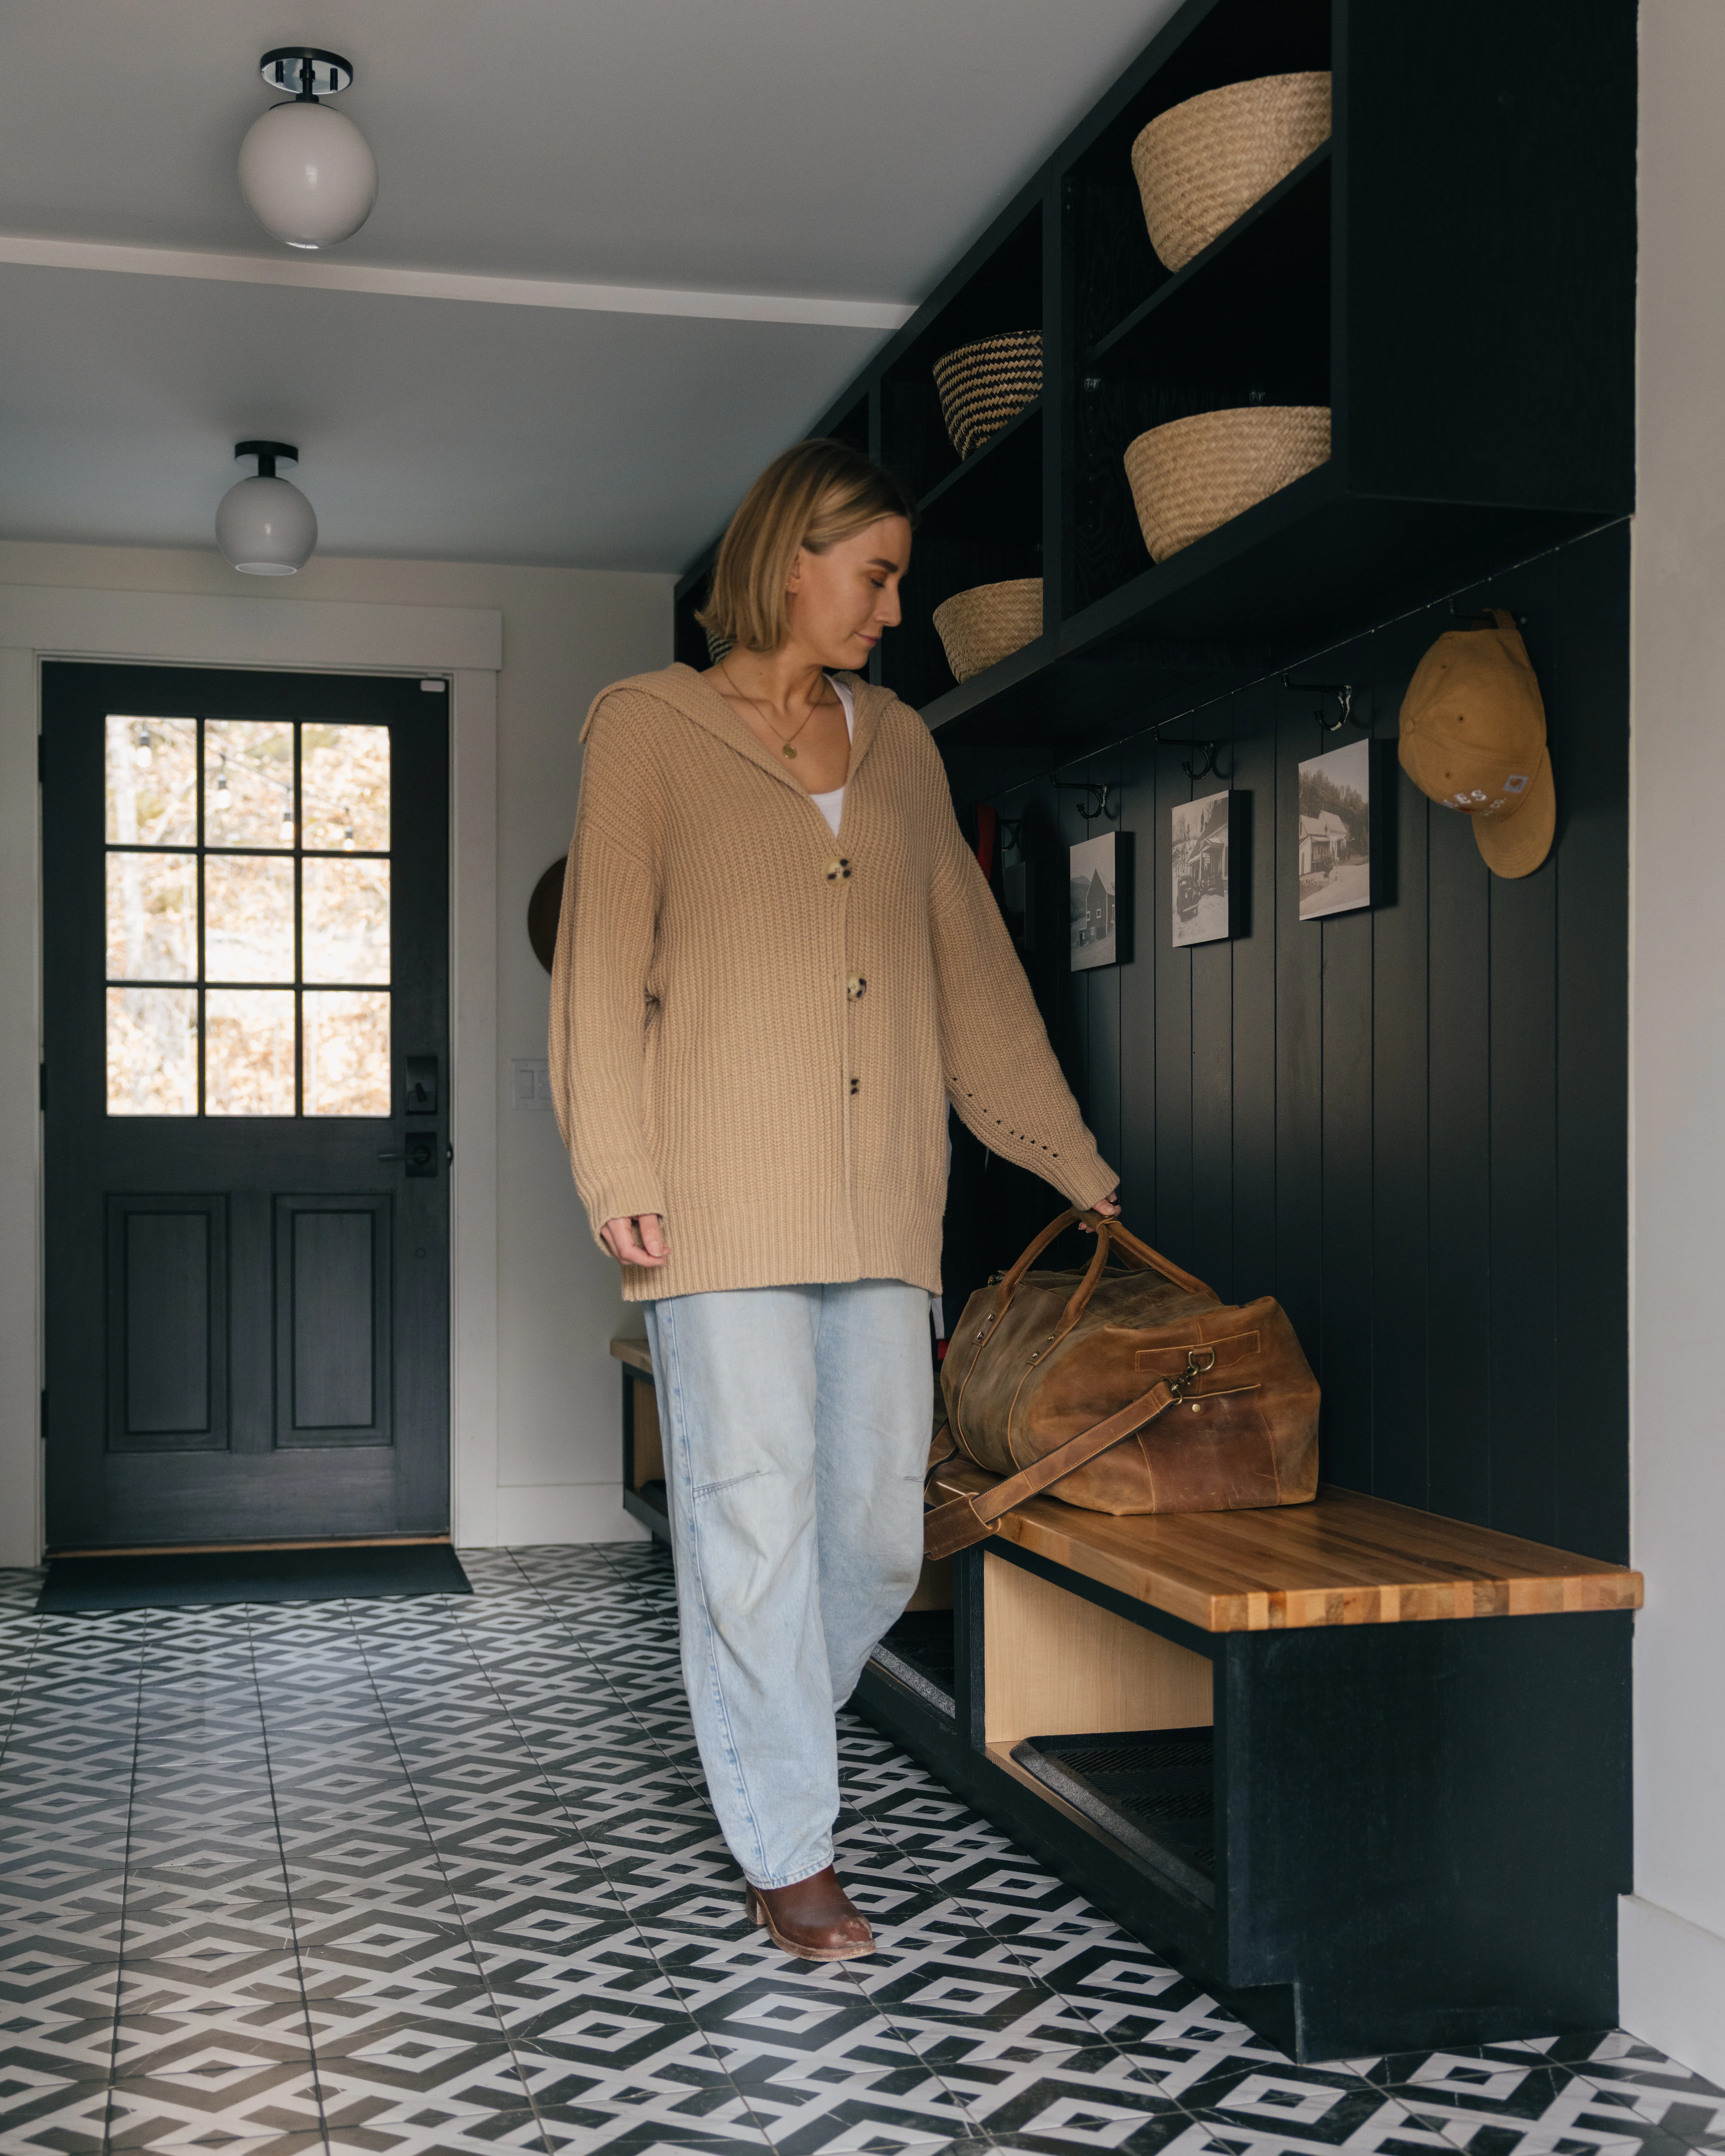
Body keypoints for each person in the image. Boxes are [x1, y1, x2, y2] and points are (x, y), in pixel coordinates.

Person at [549, 439, 1119, 1961]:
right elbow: (601, 967)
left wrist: (1078, 1166)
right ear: (791, 558)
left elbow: (972, 976)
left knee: (872, 1533)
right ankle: (789, 1850)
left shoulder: (906, 745)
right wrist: (618, 1170)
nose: (890, 610)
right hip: (715, 1211)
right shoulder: (647, 730)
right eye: (875, 578)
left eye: (898, 585)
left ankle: (761, 1742)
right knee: (750, 1526)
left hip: (881, 1207)